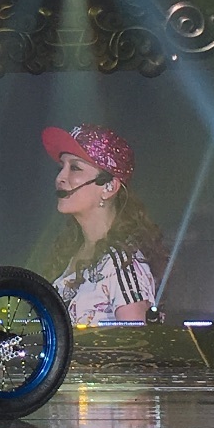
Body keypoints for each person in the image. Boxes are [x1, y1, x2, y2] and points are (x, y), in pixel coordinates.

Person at [41, 124, 168, 325]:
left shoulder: (121, 262)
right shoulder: (69, 253)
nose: (60, 178)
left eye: (75, 168)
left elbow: (135, 341)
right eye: (61, 168)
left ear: (109, 187)